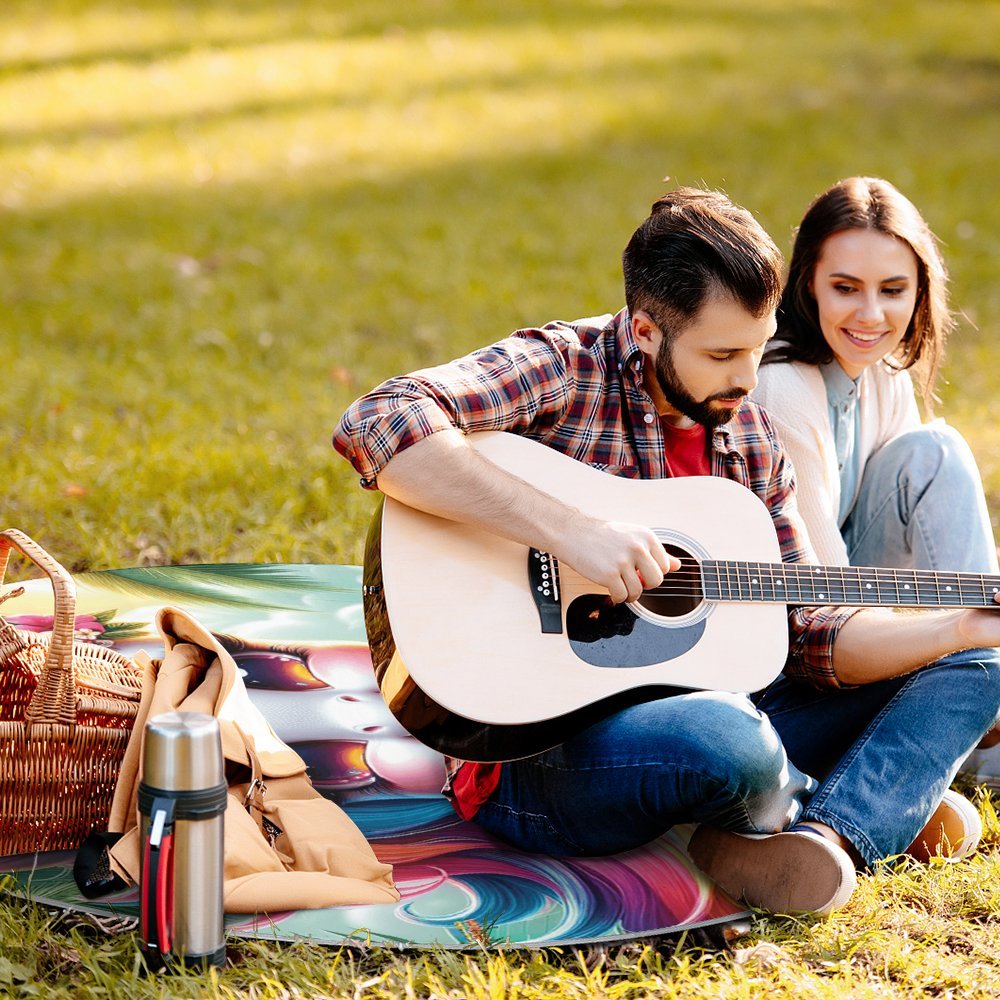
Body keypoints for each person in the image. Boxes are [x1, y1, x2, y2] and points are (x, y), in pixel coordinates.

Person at [333, 187, 1000, 916]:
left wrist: (956, 628)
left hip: (727, 709)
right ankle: (859, 795)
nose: (748, 380)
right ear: (646, 330)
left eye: (757, 346)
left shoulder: (748, 436)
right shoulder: (564, 367)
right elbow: (380, 419)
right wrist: (569, 531)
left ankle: (830, 836)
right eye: (722, 354)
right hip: (539, 756)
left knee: (980, 665)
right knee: (728, 741)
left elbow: (809, 629)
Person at [753, 176, 1000, 791]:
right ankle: (976, 711)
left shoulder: (882, 371)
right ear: (807, 281)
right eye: (845, 288)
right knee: (937, 451)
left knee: (931, 451)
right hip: (797, 648)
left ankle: (977, 698)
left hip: (863, 609)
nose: (871, 315)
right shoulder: (783, 385)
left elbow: (921, 536)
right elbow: (824, 602)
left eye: (893, 290)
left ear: (920, 291)